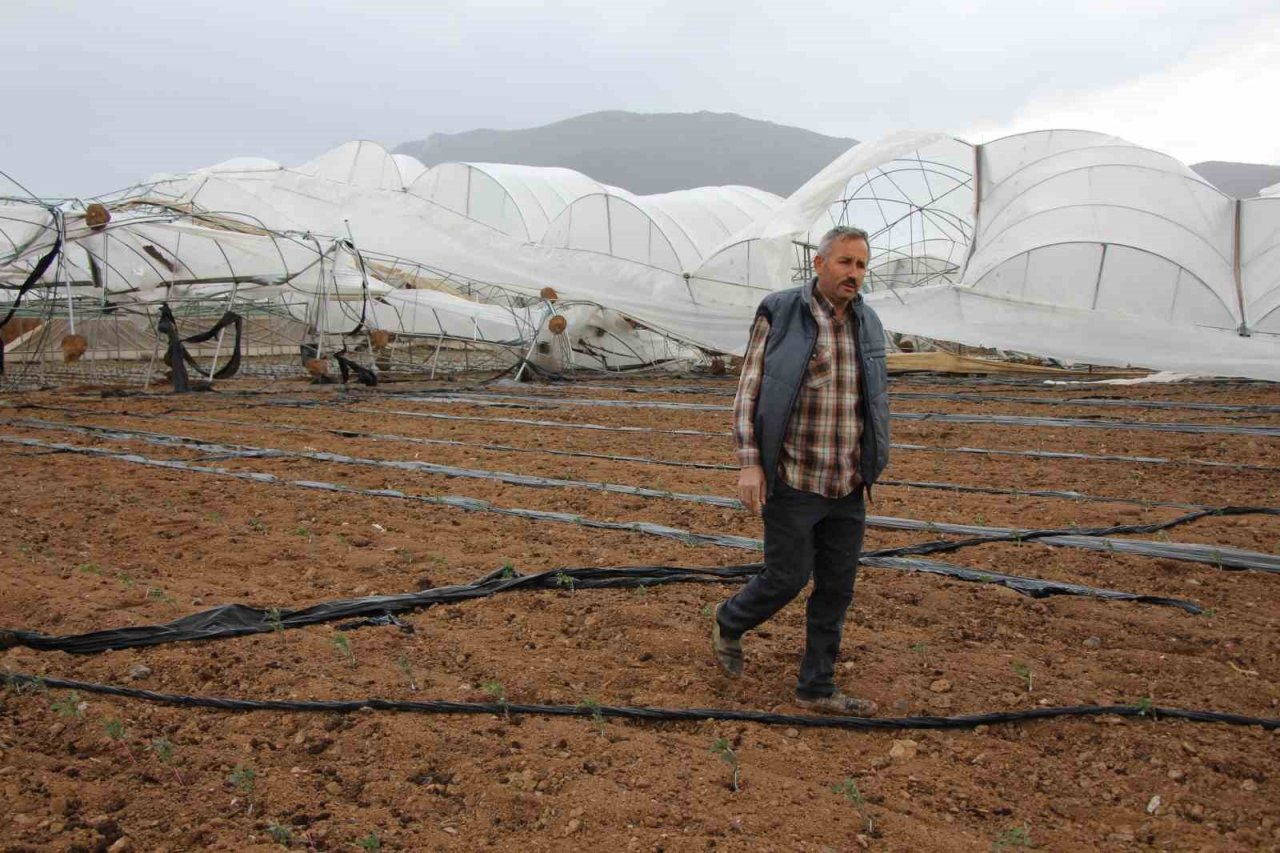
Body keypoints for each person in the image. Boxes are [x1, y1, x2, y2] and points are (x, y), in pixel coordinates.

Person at [711, 225, 890, 715]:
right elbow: (749, 390)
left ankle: (817, 688)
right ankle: (730, 619)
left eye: (860, 265)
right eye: (845, 263)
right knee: (788, 577)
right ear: (819, 263)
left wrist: (874, 458)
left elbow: (873, 399)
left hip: (847, 480)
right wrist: (750, 463)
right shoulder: (781, 311)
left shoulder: (868, 322)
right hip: (794, 477)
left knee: (837, 587)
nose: (854, 273)